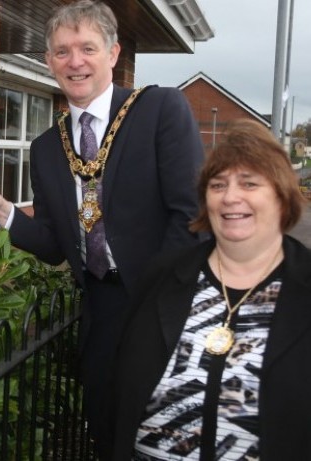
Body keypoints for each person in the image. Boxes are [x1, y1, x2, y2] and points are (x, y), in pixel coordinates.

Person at [0, 0, 204, 440]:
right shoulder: (45, 147)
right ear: (48, 61)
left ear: (113, 54)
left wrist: (158, 304)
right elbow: (54, 244)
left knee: (167, 434)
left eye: (87, 48)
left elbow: (190, 216)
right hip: (101, 311)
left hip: (164, 306)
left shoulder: (159, 111)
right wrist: (3, 213)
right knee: (106, 432)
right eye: (62, 51)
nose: (75, 62)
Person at [105, 119, 311, 460]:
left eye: (248, 183)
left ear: (281, 196)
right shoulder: (163, 275)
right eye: (218, 185)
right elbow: (120, 390)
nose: (230, 197)